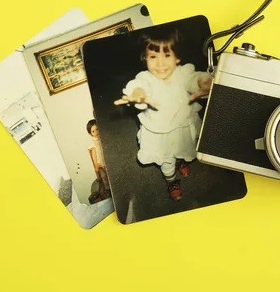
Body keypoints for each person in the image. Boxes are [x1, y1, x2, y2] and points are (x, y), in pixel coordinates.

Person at [114, 28, 212, 201]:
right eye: (153, 56)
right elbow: (139, 85)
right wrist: (138, 94)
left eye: (167, 55)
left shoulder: (182, 73)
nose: (160, 64)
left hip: (182, 126)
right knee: (166, 160)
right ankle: (171, 181)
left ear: (177, 57)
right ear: (145, 58)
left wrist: (202, 82)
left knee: (184, 148)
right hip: (160, 132)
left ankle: (181, 161)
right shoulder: (146, 78)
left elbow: (193, 79)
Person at [86, 119, 111, 199]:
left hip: (108, 162)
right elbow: (94, 155)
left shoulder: (105, 139)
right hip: (100, 163)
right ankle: (108, 190)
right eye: (93, 131)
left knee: (110, 176)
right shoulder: (94, 143)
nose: (96, 132)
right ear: (90, 133)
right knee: (104, 178)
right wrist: (97, 165)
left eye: (97, 129)